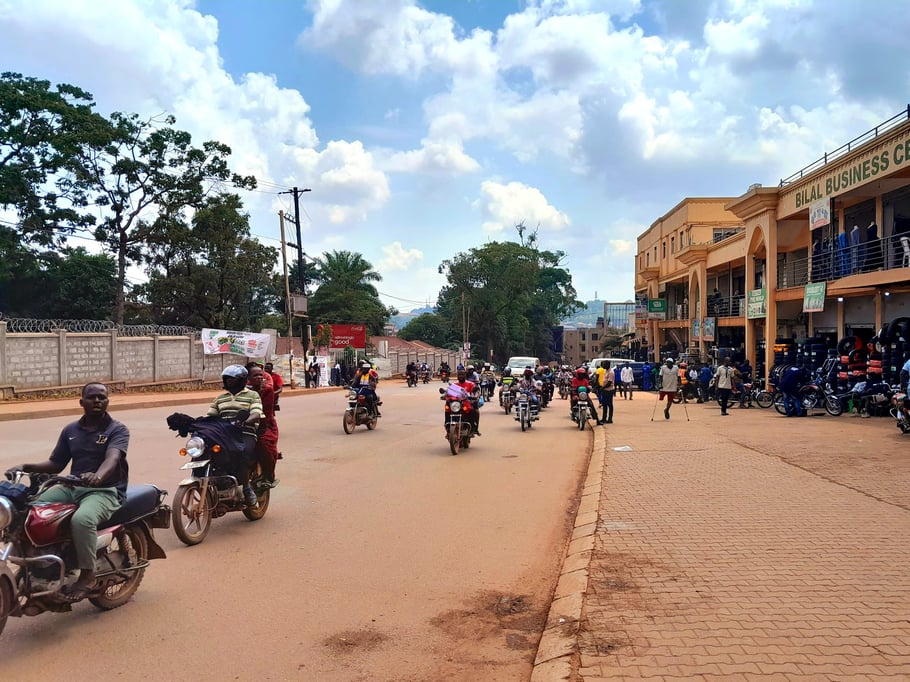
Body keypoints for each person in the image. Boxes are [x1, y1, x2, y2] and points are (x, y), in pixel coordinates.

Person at [4, 382, 129, 601]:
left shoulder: (116, 430)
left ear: (107, 401)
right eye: (92, 397)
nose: (98, 401)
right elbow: (56, 463)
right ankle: (39, 559)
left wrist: (98, 476)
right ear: (82, 402)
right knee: (29, 510)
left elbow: (113, 458)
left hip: (104, 490)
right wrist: (25, 467)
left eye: (102, 397)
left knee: (82, 520)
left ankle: (88, 575)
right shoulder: (71, 430)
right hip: (72, 486)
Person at [208, 365, 263, 507]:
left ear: (242, 380)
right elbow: (210, 416)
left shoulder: (252, 395)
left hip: (245, 432)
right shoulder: (220, 398)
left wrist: (244, 421)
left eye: (233, 379)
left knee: (241, 452)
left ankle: (246, 487)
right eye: (227, 379)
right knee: (204, 450)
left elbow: (256, 413)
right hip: (224, 434)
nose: (230, 381)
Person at [246, 363, 280, 486]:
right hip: (244, 423)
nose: (259, 377)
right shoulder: (243, 390)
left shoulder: (267, 390)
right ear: (248, 378)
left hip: (264, 423)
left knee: (265, 445)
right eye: (256, 375)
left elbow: (265, 412)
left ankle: (268, 476)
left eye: (261, 374)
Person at [444, 367, 481, 436]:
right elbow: (447, 392)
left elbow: (476, 391)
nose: (461, 376)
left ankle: (474, 428)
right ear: (457, 376)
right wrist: (444, 396)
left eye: (462, 375)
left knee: (474, 411)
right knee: (447, 409)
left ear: (465, 375)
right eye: (459, 375)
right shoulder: (454, 385)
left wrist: (475, 395)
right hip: (456, 404)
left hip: (466, 403)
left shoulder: (470, 384)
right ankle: (448, 427)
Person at [595, 360, 615, 424]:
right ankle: (604, 418)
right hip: (605, 390)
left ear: (607, 365)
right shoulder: (605, 371)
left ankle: (610, 419)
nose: (602, 366)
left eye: (604, 364)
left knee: (609, 404)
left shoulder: (611, 372)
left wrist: (602, 388)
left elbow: (609, 383)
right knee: (604, 405)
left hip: (609, 390)